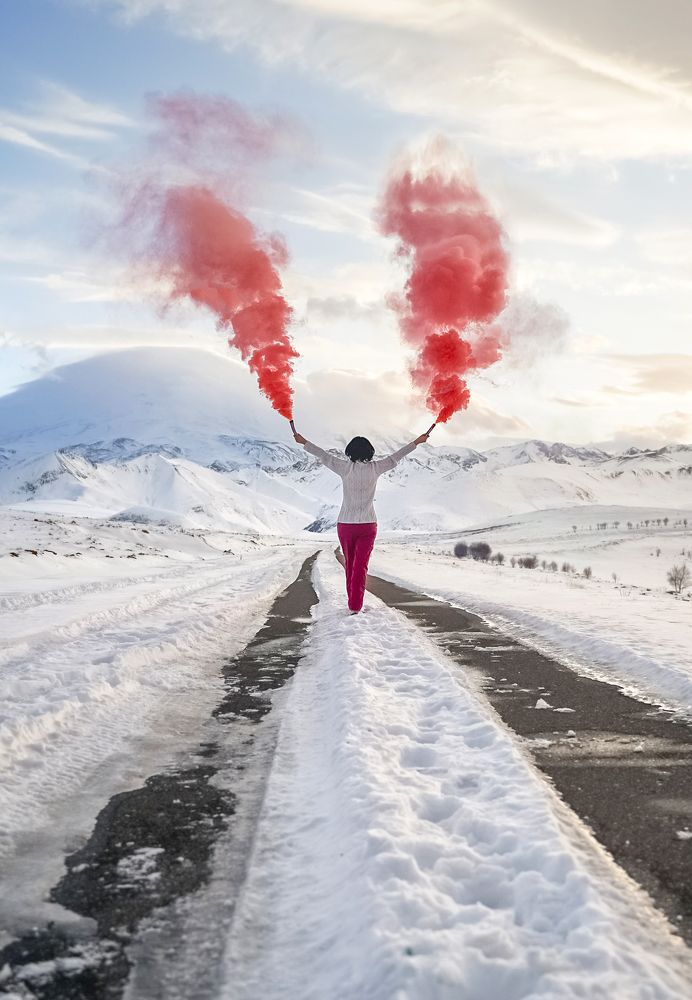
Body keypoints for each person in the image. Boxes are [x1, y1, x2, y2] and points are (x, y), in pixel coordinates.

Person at [293, 429, 430, 614]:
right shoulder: (376, 468)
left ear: (350, 452)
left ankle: (353, 603)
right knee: (360, 566)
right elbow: (396, 457)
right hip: (368, 525)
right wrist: (417, 442)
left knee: (350, 564)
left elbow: (323, 456)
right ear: (369, 452)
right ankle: (355, 604)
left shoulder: (344, 467)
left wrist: (303, 442)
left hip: (346, 525)